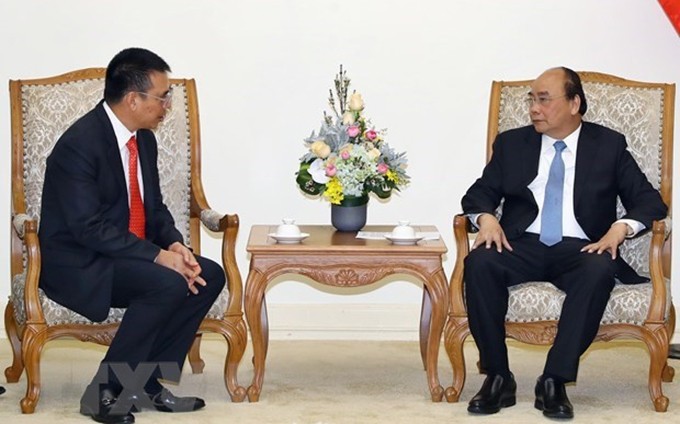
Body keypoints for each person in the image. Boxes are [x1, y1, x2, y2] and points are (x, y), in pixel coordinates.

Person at [461, 67, 667, 419]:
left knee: (599, 269)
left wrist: (621, 228)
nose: (534, 108)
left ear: (574, 103)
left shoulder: (608, 145)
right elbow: (478, 195)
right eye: (532, 99)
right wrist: (487, 217)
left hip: (582, 247)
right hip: (520, 243)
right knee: (479, 262)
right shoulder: (512, 143)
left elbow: (649, 202)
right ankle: (498, 376)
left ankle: (554, 380)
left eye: (544, 99)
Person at [38, 47, 225, 424]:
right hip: (79, 262)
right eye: (162, 96)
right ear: (133, 99)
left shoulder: (143, 140)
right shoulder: (79, 145)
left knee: (207, 276)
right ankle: (103, 392)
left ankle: (146, 384)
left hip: (120, 255)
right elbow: (87, 228)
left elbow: (153, 209)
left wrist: (174, 245)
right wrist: (158, 257)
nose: (168, 105)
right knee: (166, 283)